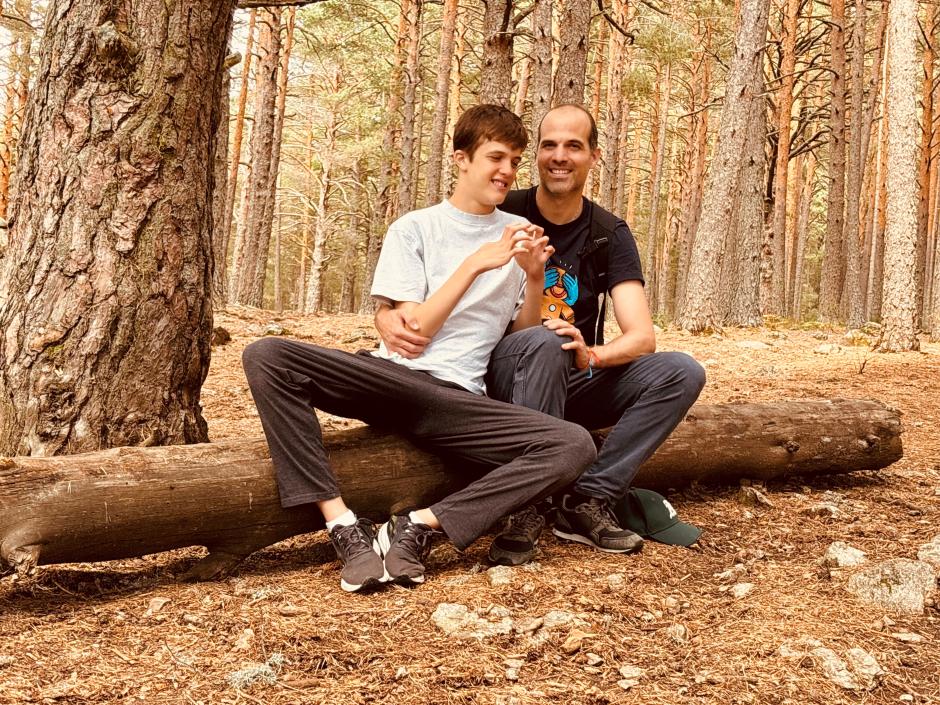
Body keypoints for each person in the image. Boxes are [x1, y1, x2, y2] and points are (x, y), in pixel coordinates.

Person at [242, 104, 597, 592]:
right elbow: (415, 332)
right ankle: (341, 522)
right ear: (461, 159)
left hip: (457, 398)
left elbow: (522, 338)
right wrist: (474, 265)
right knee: (267, 356)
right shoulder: (415, 228)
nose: (507, 171)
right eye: (496, 157)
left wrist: (533, 277)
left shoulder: (518, 237)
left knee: (573, 442)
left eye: (514, 160)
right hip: (390, 378)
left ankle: (421, 525)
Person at [376, 104, 706, 566]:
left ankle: (587, 499)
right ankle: (526, 507)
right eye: (549, 145)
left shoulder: (609, 233)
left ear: (594, 156)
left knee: (680, 371)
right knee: (542, 342)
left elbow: (641, 337)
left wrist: (591, 355)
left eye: (574, 146)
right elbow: (433, 261)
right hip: (505, 376)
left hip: (571, 373)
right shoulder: (502, 208)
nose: (559, 156)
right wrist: (384, 313)